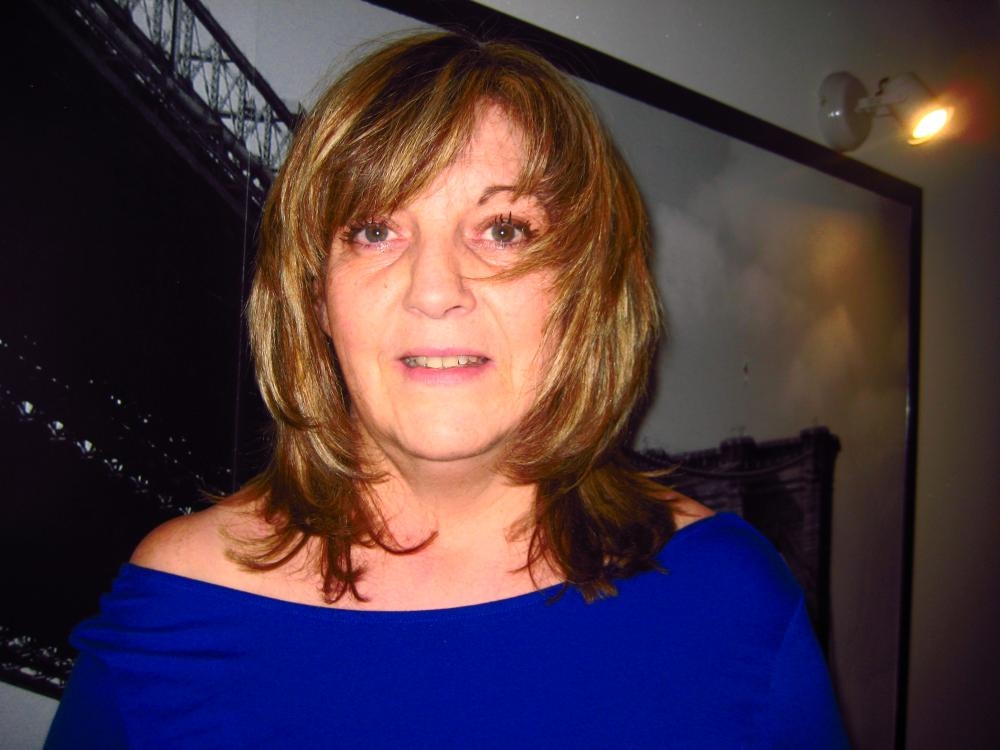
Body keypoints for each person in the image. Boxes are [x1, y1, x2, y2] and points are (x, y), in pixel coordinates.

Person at [45, 31, 849, 748]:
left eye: (503, 230)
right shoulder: (174, 610)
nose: (435, 290)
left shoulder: (730, 599)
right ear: (316, 295)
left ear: (585, 289)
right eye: (374, 230)